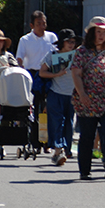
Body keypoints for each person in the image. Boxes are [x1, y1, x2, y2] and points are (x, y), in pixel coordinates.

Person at [71, 16, 105, 180]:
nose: (101, 35)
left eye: (104, 32)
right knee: (87, 136)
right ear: (92, 33)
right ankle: (85, 171)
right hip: (88, 100)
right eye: (98, 32)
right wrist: (82, 94)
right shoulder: (82, 51)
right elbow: (76, 73)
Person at [16, 10, 58, 153]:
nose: (42, 26)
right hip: (32, 75)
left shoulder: (52, 37)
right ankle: (35, 142)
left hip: (50, 74)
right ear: (32, 25)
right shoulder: (25, 40)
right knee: (34, 109)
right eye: (39, 23)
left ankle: (48, 142)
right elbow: (19, 59)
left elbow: (58, 55)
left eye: (44, 23)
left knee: (49, 109)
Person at [39, 29, 82, 165]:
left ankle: (66, 150)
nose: (71, 44)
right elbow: (42, 72)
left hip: (72, 95)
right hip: (55, 93)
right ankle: (58, 150)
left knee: (69, 123)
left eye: (73, 42)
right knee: (57, 122)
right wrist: (56, 74)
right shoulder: (52, 55)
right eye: (68, 41)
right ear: (62, 43)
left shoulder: (77, 56)